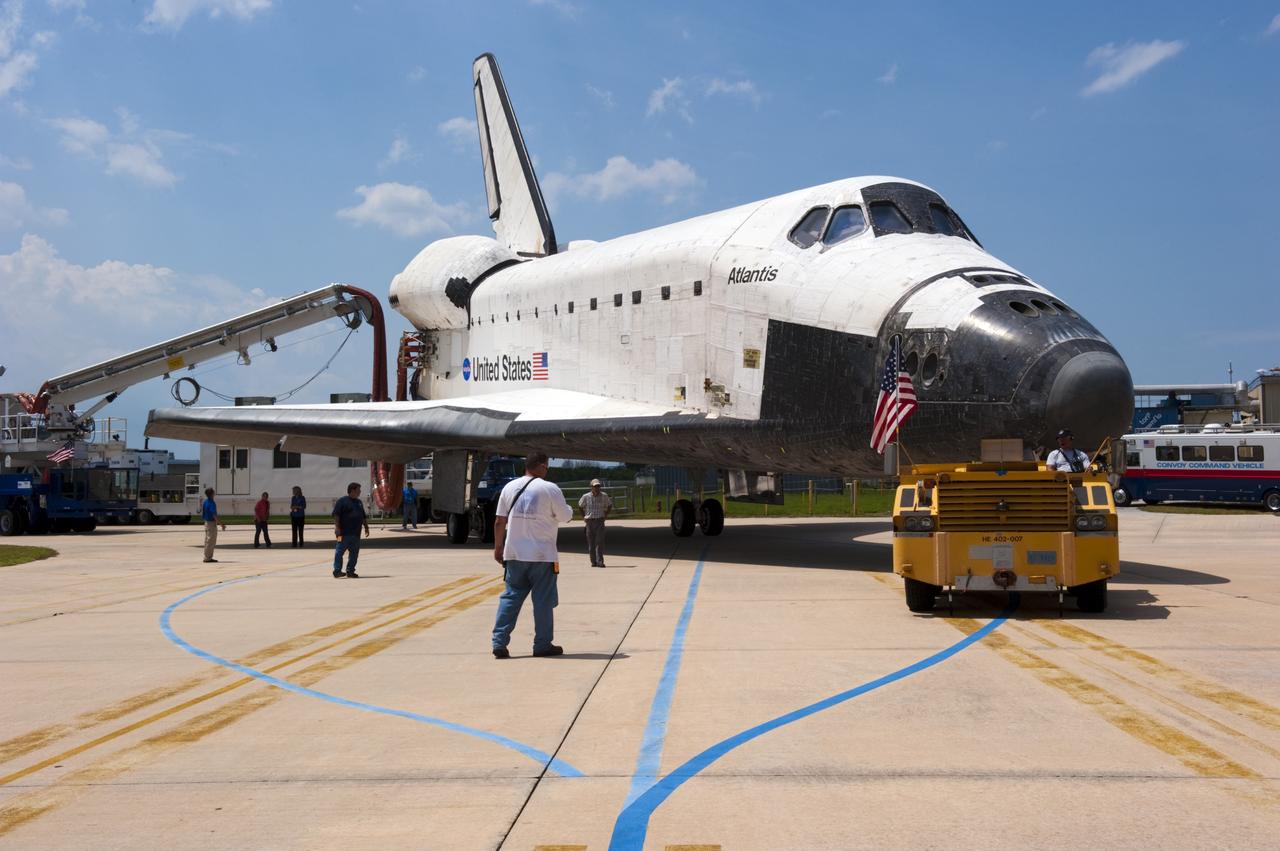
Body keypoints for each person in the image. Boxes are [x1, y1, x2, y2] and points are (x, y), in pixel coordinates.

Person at [491, 451, 573, 658]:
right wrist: (569, 510)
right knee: (543, 601)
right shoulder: (549, 488)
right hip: (542, 556)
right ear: (542, 466)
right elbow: (565, 516)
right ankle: (542, 645)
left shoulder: (509, 487)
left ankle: (499, 643)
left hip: (514, 554)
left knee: (510, 598)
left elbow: (500, 521)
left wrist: (498, 547)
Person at [332, 482, 370, 578]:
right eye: (358, 490)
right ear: (352, 490)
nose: (360, 492)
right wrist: (337, 527)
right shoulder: (342, 501)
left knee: (354, 554)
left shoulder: (359, 502)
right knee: (339, 552)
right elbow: (336, 515)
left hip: (356, 534)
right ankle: (337, 571)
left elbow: (363, 517)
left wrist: (366, 527)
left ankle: (350, 571)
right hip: (343, 533)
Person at [577, 478, 613, 567]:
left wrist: (606, 515)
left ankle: (600, 561)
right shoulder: (586, 496)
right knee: (591, 544)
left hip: (600, 520)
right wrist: (584, 517)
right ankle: (593, 561)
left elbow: (609, 505)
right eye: (595, 486)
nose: (597, 488)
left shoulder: (604, 495)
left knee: (599, 542)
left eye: (598, 486)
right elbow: (580, 506)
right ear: (591, 487)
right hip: (589, 522)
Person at [201, 487, 227, 563]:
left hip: (206, 522)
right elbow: (214, 515)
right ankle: (207, 558)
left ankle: (207, 556)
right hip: (211, 523)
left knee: (207, 541)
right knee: (211, 541)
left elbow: (203, 513)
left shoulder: (205, 502)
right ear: (212, 494)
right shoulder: (211, 503)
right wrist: (221, 524)